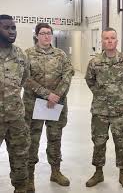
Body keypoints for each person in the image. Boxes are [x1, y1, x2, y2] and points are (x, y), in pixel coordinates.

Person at [23, 23, 74, 192]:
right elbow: (26, 79)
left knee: (55, 138)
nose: (46, 36)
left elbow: (68, 75)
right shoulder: (28, 54)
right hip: (34, 105)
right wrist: (47, 94)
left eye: (49, 33)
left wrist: (56, 95)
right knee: (32, 140)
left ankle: (55, 172)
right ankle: (29, 177)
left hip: (55, 105)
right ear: (37, 35)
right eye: (43, 33)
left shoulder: (60, 54)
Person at [85, 27, 123, 189]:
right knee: (99, 142)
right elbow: (89, 80)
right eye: (106, 38)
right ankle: (98, 172)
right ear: (102, 41)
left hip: (120, 111)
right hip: (100, 111)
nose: (109, 41)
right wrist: (100, 95)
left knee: (122, 142)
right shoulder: (95, 62)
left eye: (112, 38)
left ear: (116, 40)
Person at [0, 14, 30, 193]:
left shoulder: (20, 54)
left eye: (14, 28)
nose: (12, 31)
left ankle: (20, 188)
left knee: (20, 157)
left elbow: (24, 79)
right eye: (7, 28)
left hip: (16, 118)